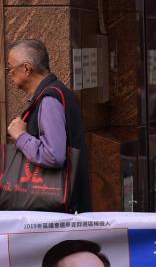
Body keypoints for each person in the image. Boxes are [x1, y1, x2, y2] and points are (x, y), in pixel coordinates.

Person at [5, 39, 91, 212]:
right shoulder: (56, 93)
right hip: (67, 203)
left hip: (59, 208)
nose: (9, 74)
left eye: (10, 68)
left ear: (26, 69)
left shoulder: (50, 100)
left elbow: (54, 155)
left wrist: (20, 135)